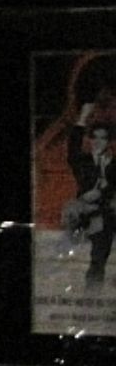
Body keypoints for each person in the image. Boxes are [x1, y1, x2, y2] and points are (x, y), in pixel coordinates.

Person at [62, 101, 114, 286]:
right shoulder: (82, 162)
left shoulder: (112, 164)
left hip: (106, 216)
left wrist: (105, 182)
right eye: (95, 137)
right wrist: (82, 119)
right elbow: (72, 149)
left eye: (103, 138)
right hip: (85, 214)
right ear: (90, 140)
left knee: (99, 257)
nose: (99, 141)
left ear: (108, 141)